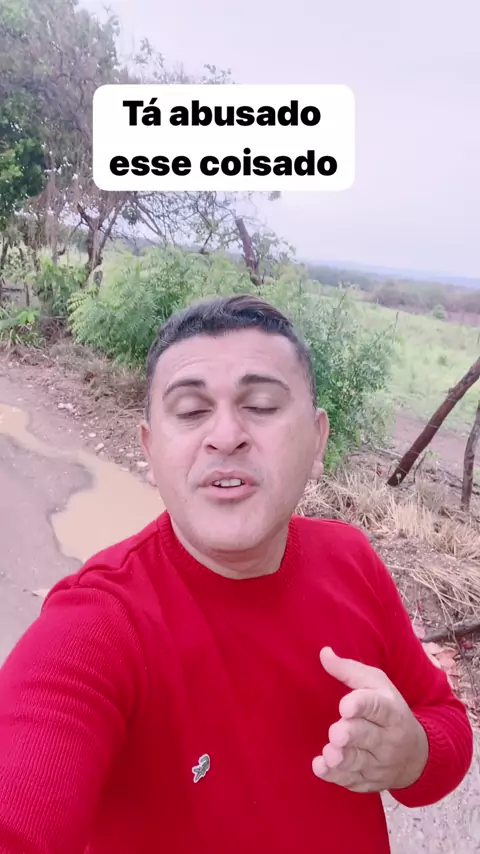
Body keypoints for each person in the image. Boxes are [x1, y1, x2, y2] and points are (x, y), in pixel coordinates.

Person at [0, 294, 473, 854]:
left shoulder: (352, 560)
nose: (226, 435)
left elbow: (445, 722)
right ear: (150, 451)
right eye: (191, 411)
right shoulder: (99, 624)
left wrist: (413, 753)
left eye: (263, 405)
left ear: (317, 441)